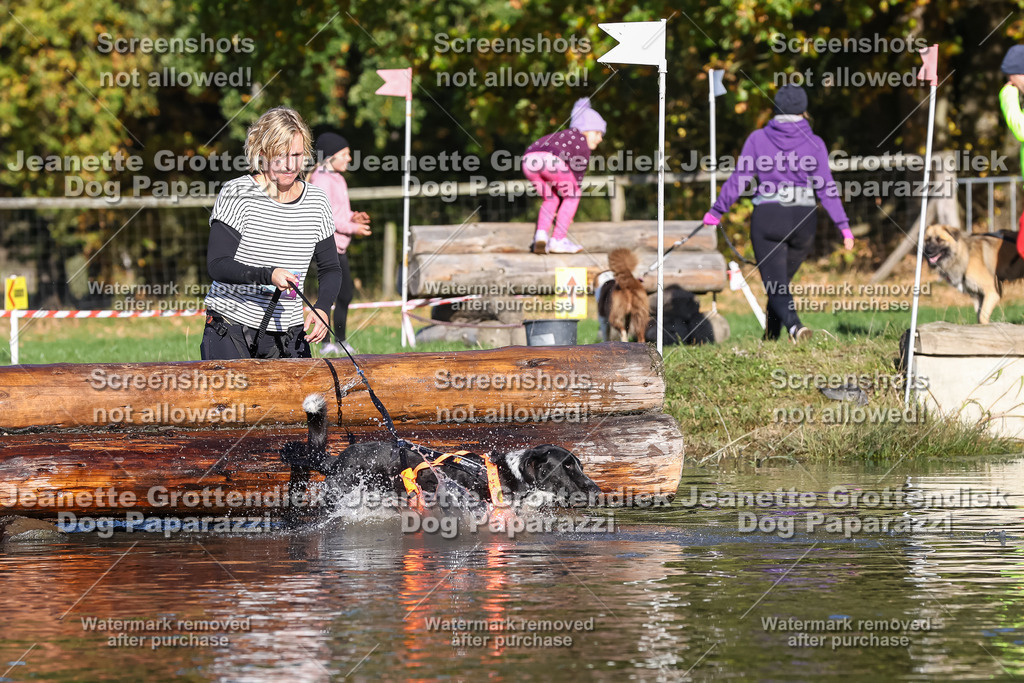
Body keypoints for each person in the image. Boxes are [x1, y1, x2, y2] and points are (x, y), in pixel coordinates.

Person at [702, 84, 853, 343]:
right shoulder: (815, 143)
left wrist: (717, 211)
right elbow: (827, 188)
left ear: (776, 109)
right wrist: (844, 226)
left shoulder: (758, 139)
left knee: (776, 284)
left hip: (769, 217)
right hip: (804, 220)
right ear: (804, 111)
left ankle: (795, 327)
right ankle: (771, 337)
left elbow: (739, 179)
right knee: (779, 283)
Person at [200, 106, 341, 360]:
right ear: (262, 154)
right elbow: (218, 264)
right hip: (231, 327)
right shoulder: (237, 193)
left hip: (289, 332)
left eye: (296, 155)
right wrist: (268, 275)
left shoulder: (317, 201)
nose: (290, 165)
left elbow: (330, 267)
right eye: (281, 156)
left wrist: (322, 308)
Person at [309, 132, 371, 356]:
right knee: (335, 294)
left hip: (339, 246)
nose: (349, 159)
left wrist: (354, 217)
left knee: (343, 295)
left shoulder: (338, 178)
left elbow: (340, 212)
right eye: (345, 154)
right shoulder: (322, 179)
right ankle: (328, 342)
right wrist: (353, 228)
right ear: (331, 156)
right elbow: (327, 217)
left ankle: (339, 341)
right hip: (327, 246)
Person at [522, 97, 606, 254]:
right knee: (573, 195)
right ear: (585, 130)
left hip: (528, 160)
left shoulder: (563, 136)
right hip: (550, 160)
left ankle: (541, 235)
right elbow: (576, 177)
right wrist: (566, 209)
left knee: (550, 198)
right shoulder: (581, 142)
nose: (600, 138)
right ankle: (558, 240)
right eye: (597, 133)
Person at [999, 45, 1024, 258]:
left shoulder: (1010, 92)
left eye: (1011, 77)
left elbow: (1021, 130)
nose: (1010, 83)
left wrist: (1007, 95)